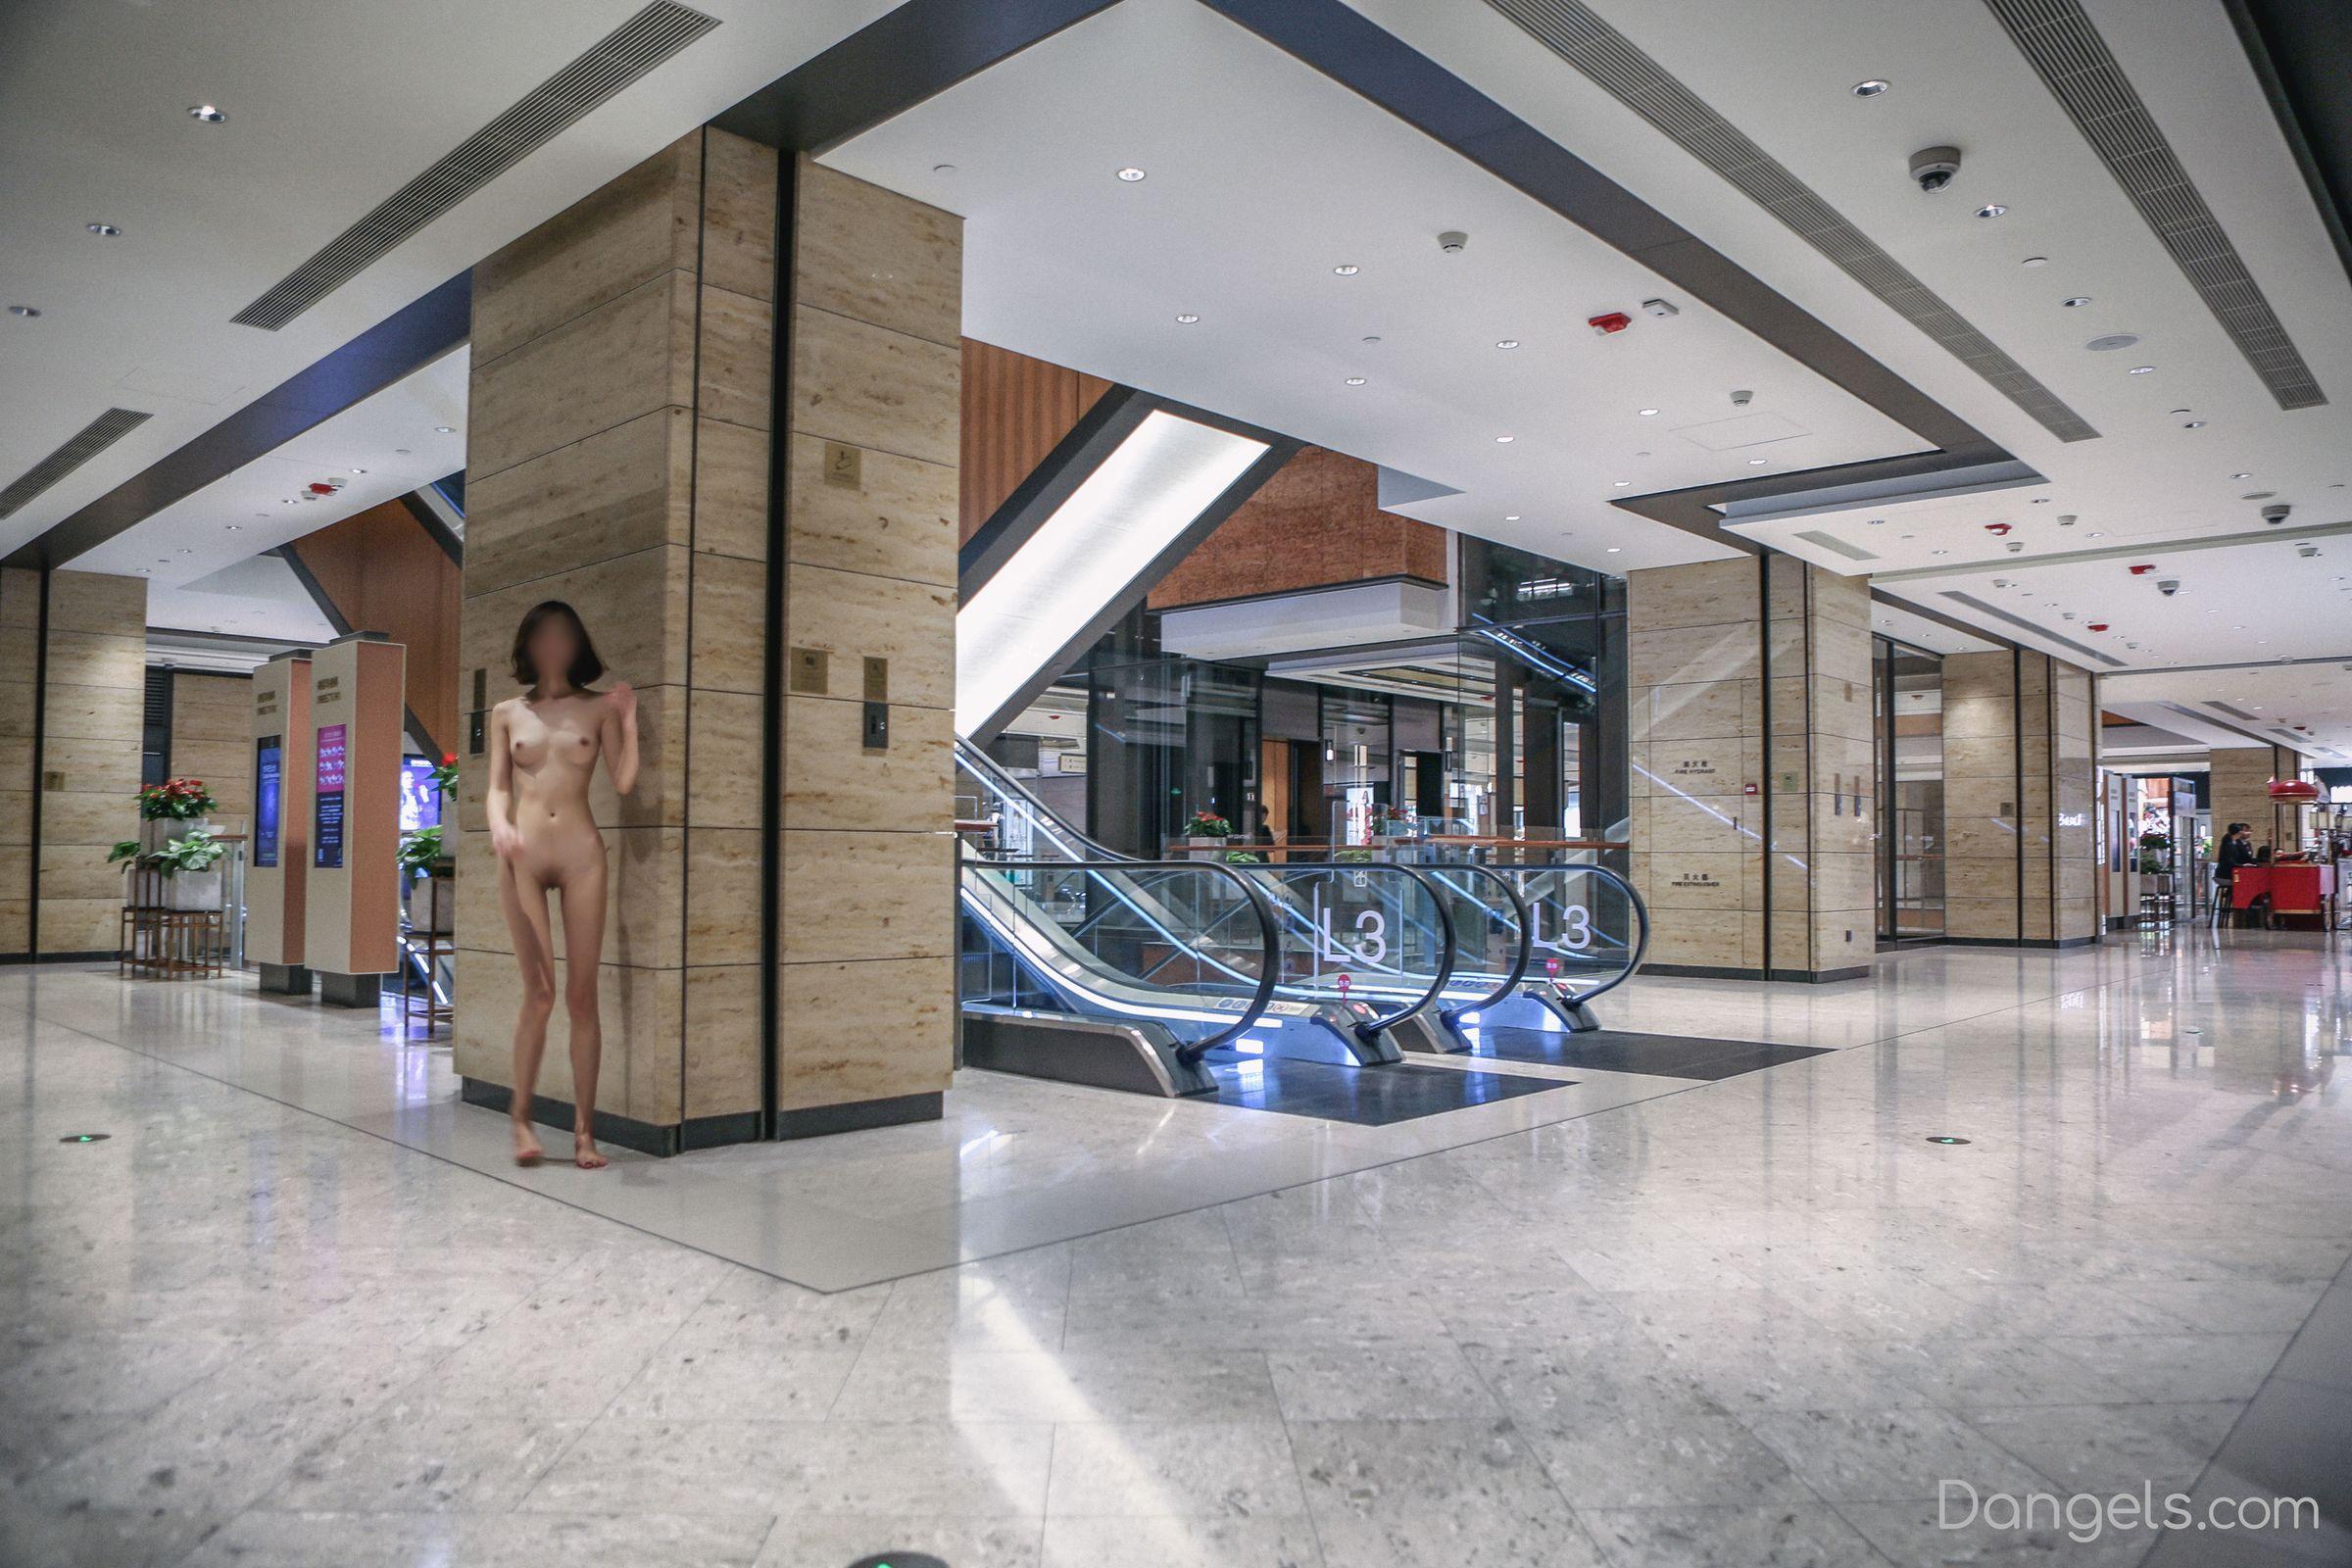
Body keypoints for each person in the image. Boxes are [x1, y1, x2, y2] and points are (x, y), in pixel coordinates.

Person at [486, 602, 638, 1168]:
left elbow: (623, 781)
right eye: (544, 637)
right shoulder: (507, 712)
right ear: (527, 644)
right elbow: (497, 786)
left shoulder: (598, 708)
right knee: (541, 993)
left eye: (563, 636)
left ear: (578, 645)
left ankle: (584, 1133)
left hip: (582, 857)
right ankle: (521, 1118)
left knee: (581, 997)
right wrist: (499, 825)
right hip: (522, 855)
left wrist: (628, 721)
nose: (553, 646)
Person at [2215, 821, 2255, 924]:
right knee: (2242, 883)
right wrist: (2242, 866)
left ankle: (2238, 902)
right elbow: (2229, 862)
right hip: (2225, 874)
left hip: (2227, 873)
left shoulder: (2231, 842)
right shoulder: (2228, 844)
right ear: (2238, 833)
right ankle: (2242, 907)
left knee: (2241, 881)